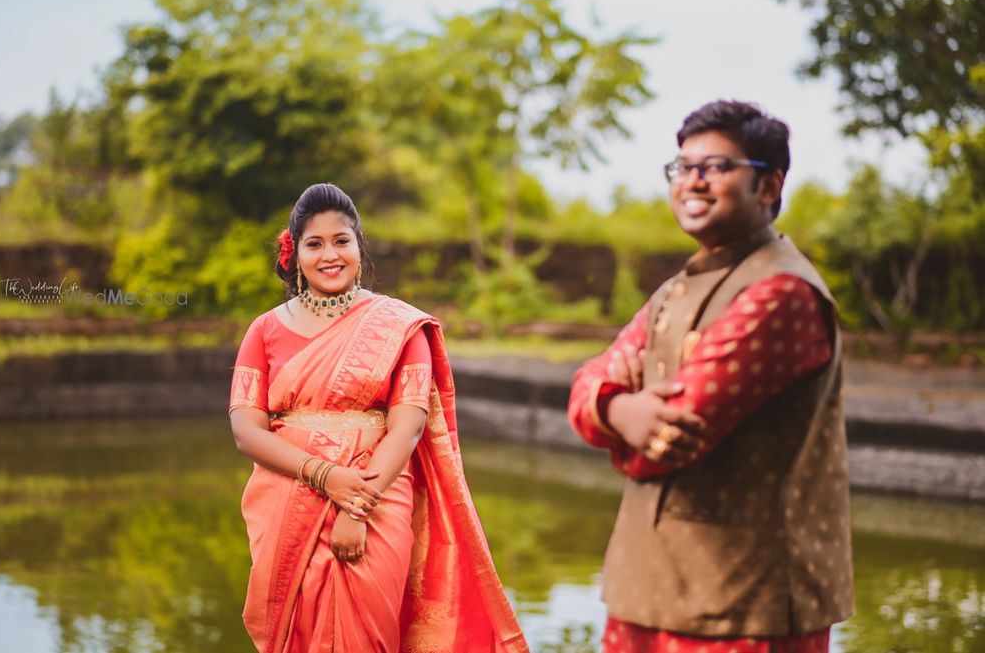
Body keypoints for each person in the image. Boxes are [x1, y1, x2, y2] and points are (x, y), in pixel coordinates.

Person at [568, 100, 853, 652]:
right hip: (647, 582)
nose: (693, 182)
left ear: (768, 187)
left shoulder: (780, 293)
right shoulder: (681, 286)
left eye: (716, 167)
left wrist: (621, 421)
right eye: (683, 167)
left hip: (744, 599)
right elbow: (588, 384)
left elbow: (668, 440)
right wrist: (618, 410)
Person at [229, 183, 527, 653]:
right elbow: (246, 431)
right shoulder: (264, 330)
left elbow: (406, 429)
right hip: (288, 498)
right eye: (315, 243)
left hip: (377, 499)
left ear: (359, 247)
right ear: (296, 253)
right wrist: (325, 476)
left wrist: (356, 506)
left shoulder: (400, 327)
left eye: (341, 240)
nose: (330, 254)